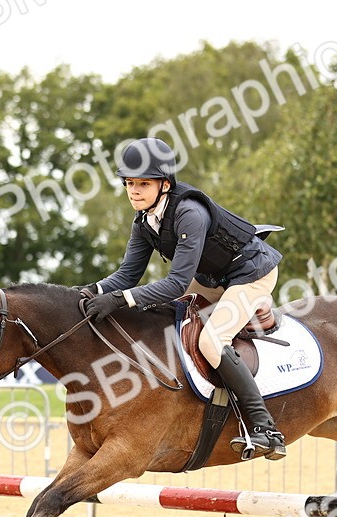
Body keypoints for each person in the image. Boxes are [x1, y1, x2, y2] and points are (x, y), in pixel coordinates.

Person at [79, 137, 286, 460]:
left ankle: (265, 427)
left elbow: (175, 284)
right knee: (165, 320)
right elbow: (126, 277)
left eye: (143, 183)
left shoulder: (189, 213)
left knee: (212, 341)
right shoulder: (145, 221)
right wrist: (89, 292)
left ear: (164, 184)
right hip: (212, 278)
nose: (134, 191)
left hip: (250, 273)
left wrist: (120, 300)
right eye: (129, 183)